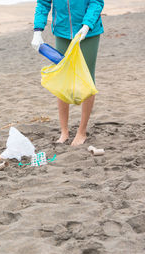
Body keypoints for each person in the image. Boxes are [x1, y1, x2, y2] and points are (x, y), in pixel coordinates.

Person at [31, 0, 104, 146]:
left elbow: (96, 2)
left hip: (88, 33)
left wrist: (87, 25)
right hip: (62, 32)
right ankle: (64, 131)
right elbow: (43, 3)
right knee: (62, 79)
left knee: (87, 78)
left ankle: (81, 131)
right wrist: (37, 30)